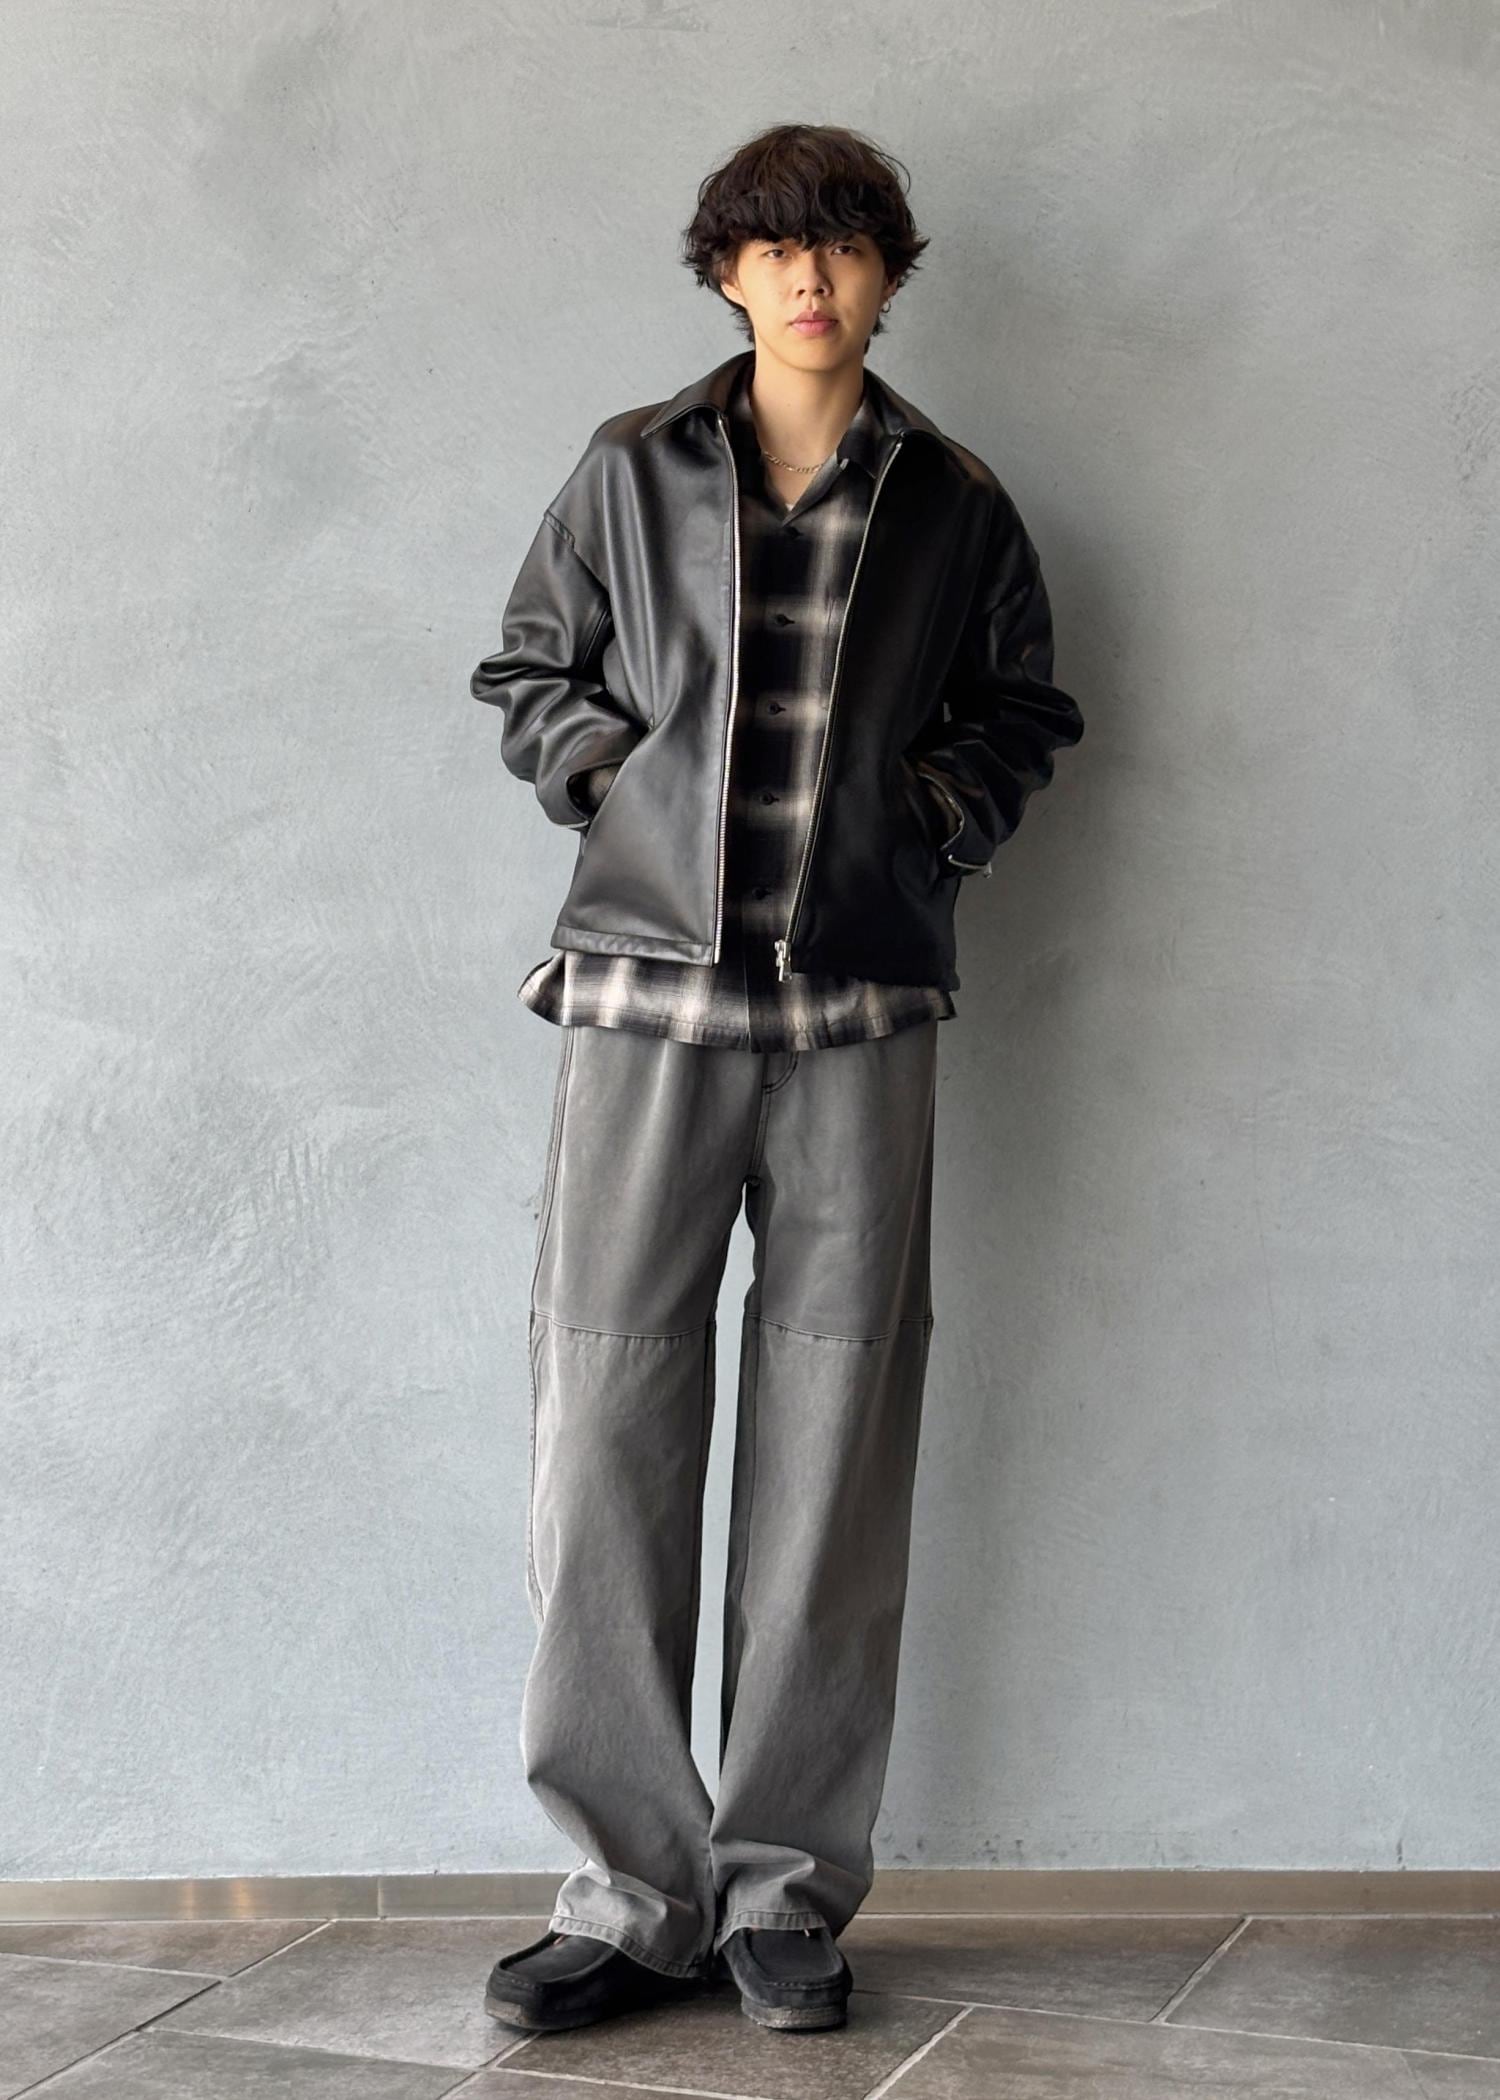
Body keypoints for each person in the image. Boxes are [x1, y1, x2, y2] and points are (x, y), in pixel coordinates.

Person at [471, 121, 1085, 2036]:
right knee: (605, 1431)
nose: (809, 275)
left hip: (860, 1018)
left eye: (843, 245)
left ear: (888, 274)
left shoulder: (954, 500)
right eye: (771, 246)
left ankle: (784, 1892)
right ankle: (626, 1890)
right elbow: (528, 674)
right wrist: (622, 784)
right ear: (727, 274)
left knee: (836, 1444)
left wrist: (929, 823)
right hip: (643, 1006)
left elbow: (1024, 710)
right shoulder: (632, 467)